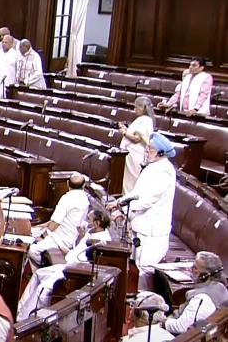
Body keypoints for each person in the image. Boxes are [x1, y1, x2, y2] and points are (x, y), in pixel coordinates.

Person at [107, 132, 177, 291]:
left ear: (161, 153)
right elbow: (137, 192)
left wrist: (122, 211)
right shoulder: (153, 167)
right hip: (142, 227)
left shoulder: (164, 171)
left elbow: (147, 200)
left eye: (150, 149)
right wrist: (119, 202)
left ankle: (145, 307)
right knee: (137, 266)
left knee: (146, 269)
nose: (146, 152)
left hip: (153, 231)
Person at [17, 209, 112, 321]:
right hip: (68, 263)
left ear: (97, 223)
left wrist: (67, 252)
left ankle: (34, 319)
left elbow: (80, 258)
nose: (85, 221)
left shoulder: (102, 240)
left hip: (75, 271)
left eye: (88, 219)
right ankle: (20, 310)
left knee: (44, 287)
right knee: (38, 273)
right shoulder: (91, 231)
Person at [28, 173, 90, 265]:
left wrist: (42, 237)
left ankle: (44, 265)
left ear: (67, 183)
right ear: (84, 185)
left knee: (30, 249)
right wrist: (46, 224)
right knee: (34, 231)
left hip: (61, 238)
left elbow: (55, 224)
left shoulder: (67, 198)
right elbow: (65, 218)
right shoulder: (85, 199)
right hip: (72, 236)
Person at [161, 251, 228, 334]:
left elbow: (182, 327)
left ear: (205, 275)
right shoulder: (221, 287)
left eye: (195, 268)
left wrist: (162, 322)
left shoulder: (202, 298)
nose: (190, 269)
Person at [119, 97, 156, 193]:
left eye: (136, 107)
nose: (134, 110)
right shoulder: (142, 119)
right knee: (127, 182)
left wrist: (124, 132)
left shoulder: (146, 120)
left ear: (143, 107)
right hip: (131, 154)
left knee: (130, 183)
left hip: (135, 155)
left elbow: (136, 139)